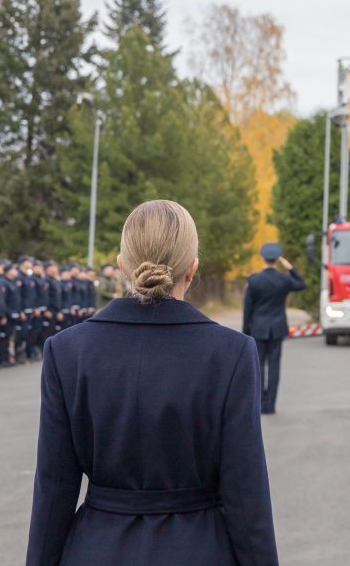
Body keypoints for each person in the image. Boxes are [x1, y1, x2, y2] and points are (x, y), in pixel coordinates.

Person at [26, 199, 278, 566]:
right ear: (192, 269)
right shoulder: (231, 353)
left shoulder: (67, 351)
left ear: (121, 266)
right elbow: (246, 492)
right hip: (200, 549)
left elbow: (53, 489)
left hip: (96, 549)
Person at [243, 243, 306, 415]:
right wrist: (291, 268)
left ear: (263, 258)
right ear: (277, 260)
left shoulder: (254, 280)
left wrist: (245, 331)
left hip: (258, 328)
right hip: (277, 328)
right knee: (274, 366)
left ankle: (261, 404)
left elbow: (248, 309)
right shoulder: (284, 280)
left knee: (259, 366)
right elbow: (301, 284)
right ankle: (270, 406)